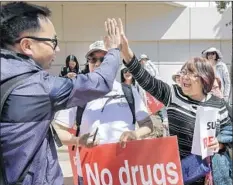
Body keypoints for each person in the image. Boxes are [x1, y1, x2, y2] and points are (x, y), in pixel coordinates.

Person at [0, 2, 121, 184]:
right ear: (27, 45)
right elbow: (100, 82)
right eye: (53, 41)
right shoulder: (37, 88)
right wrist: (113, 50)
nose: (57, 49)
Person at [117, 18, 232, 185]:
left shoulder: (219, 104)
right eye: (184, 72)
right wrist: (128, 55)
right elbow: (147, 80)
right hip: (179, 173)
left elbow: (229, 132)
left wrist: (220, 143)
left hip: (212, 177)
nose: (184, 76)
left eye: (191, 73)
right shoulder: (173, 94)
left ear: (204, 79)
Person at [54, 40, 153, 185]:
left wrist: (135, 134)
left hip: (124, 171)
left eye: (104, 59)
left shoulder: (129, 91)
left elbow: (148, 125)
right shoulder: (79, 92)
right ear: (88, 62)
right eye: (93, 59)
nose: (98, 63)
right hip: (90, 173)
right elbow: (57, 131)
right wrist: (77, 141)